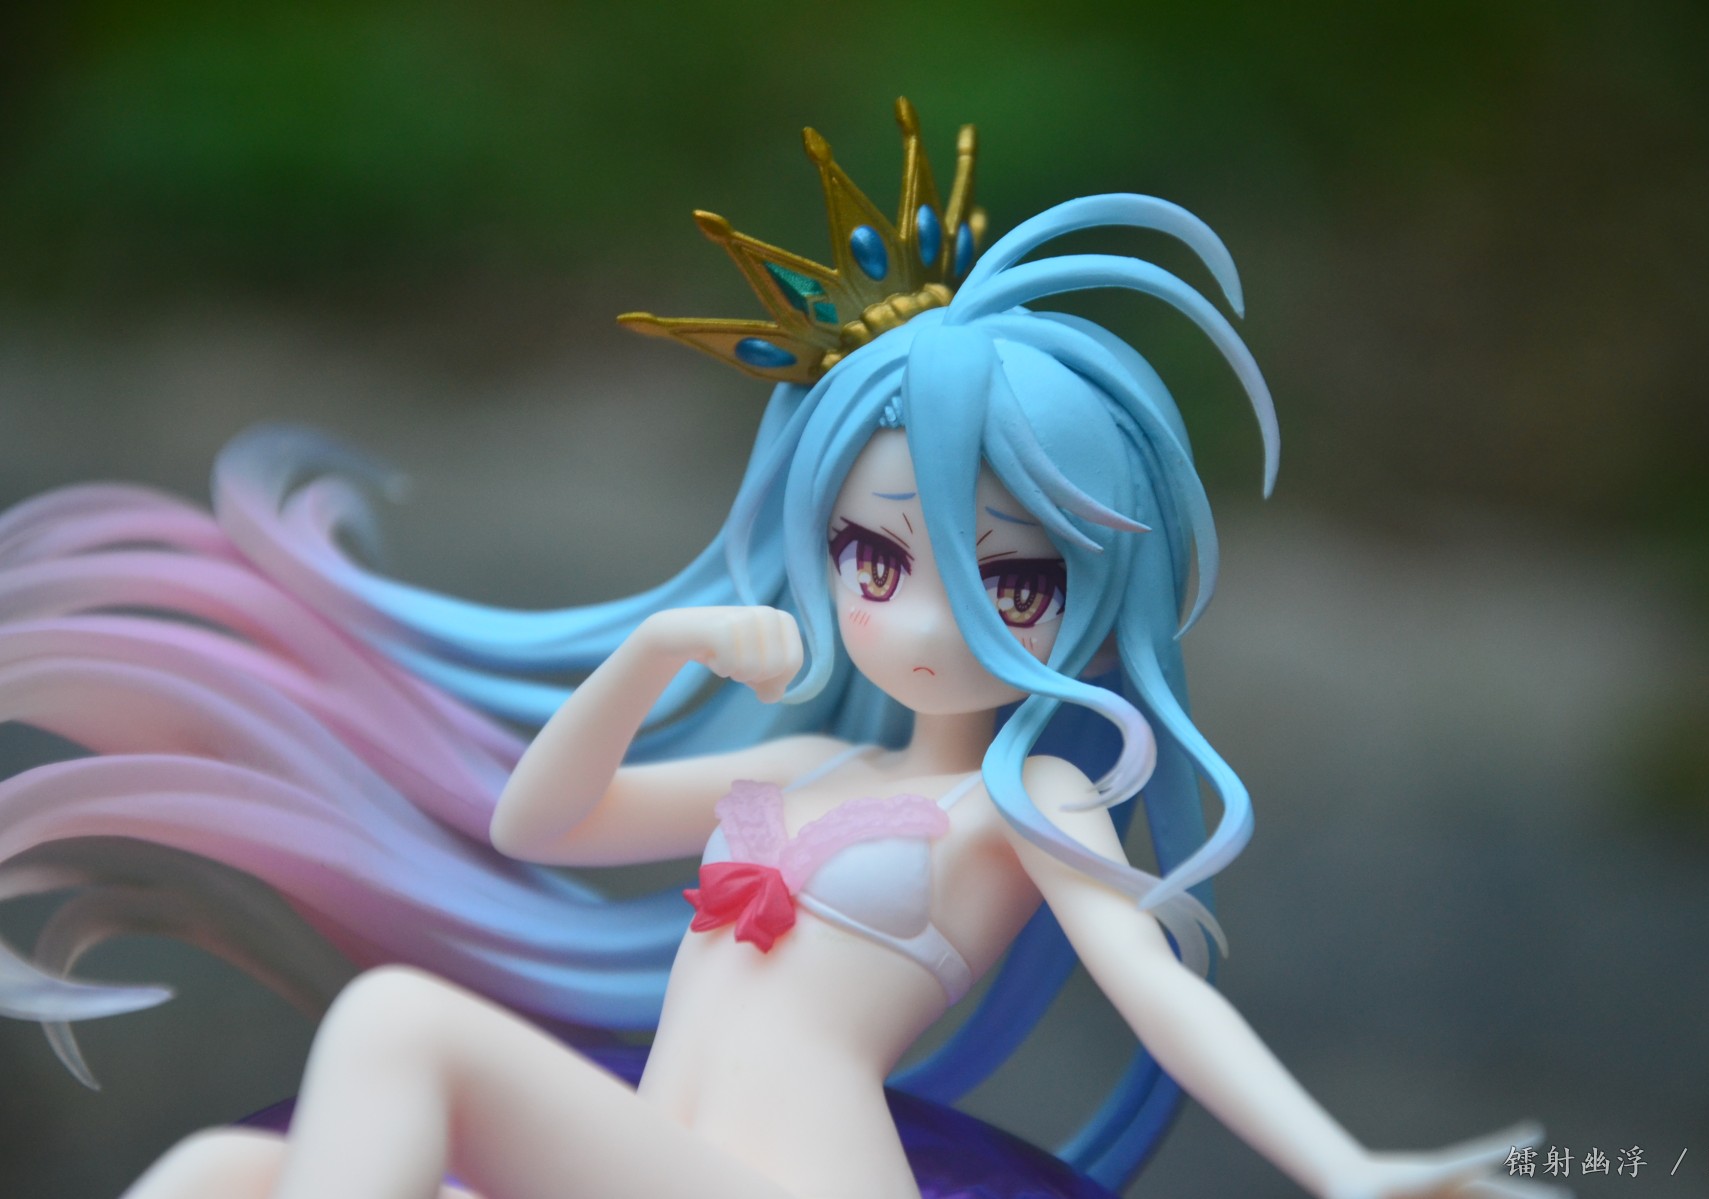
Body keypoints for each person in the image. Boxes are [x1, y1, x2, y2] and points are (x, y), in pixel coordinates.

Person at [0, 101, 1553, 1199]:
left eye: (1012, 579)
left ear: (1094, 589)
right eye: (878, 559)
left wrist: (1346, 1167)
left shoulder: (1025, 800)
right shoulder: (808, 760)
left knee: (398, 1022)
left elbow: (1161, 996)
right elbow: (540, 824)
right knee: (216, 1172)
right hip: (649, 1158)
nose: (926, 620)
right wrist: (655, 652)